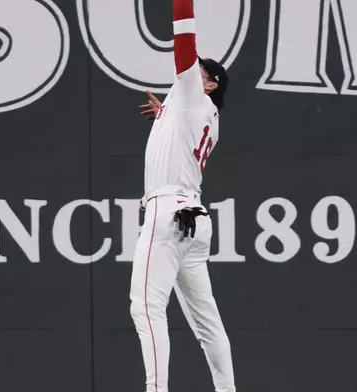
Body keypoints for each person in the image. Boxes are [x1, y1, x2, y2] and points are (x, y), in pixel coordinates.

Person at [129, 1, 236, 392]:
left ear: (209, 84)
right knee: (206, 320)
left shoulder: (193, 95)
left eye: (200, 72)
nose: (191, 72)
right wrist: (167, 112)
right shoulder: (201, 113)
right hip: (192, 217)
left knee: (146, 306)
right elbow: (181, 124)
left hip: (169, 213)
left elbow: (183, 39)